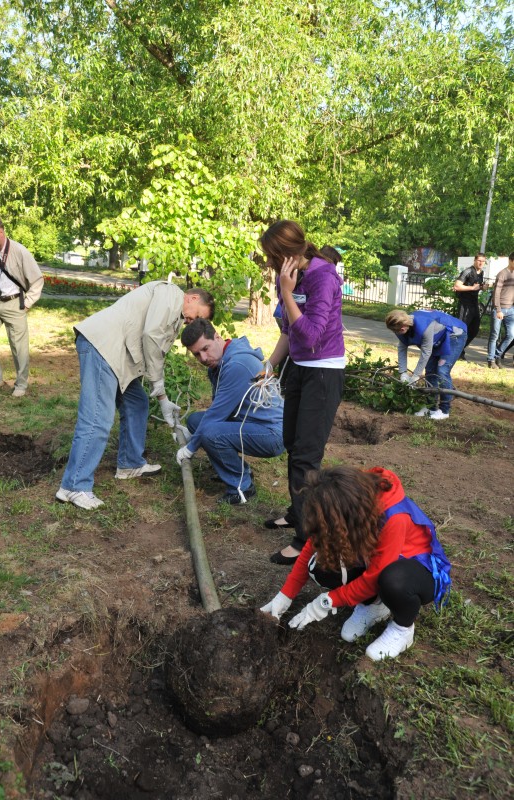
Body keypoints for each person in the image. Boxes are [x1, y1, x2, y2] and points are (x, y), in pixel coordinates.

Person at [260, 465, 451, 661]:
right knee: (322, 567)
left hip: (415, 568)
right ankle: (375, 604)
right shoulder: (346, 496)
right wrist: (285, 595)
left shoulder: (394, 518)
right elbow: (315, 542)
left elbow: (376, 575)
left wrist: (325, 602)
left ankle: (403, 629)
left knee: (393, 581)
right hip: (375, 559)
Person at [56, 283, 214, 510]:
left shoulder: (176, 312)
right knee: (97, 419)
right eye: (197, 315)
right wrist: (158, 385)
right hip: (104, 348)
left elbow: (153, 345)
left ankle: (130, 464)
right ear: (193, 298)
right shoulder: (171, 294)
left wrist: (162, 400)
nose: (192, 322)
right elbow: (151, 336)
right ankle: (74, 486)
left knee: (137, 402)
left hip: (116, 355)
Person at [259, 220, 345, 564]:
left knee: (307, 457)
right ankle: (299, 512)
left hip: (323, 374)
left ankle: (306, 538)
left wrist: (285, 289)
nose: (268, 264)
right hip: (298, 368)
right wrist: (271, 364)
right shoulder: (292, 277)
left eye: (270, 257)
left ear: (286, 254)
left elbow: (310, 335)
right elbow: (287, 330)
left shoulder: (323, 276)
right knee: (292, 444)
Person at [176, 319, 285, 504]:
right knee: (195, 421)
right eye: (196, 354)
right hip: (251, 422)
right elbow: (217, 412)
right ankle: (238, 470)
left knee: (210, 432)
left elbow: (215, 417)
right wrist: (192, 435)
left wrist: (190, 448)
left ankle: (241, 488)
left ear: (217, 337)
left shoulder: (237, 365)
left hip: (272, 434)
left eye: (205, 348)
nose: (203, 358)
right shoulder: (222, 359)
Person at [0, 215, 44, 397]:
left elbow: (37, 279)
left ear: (0, 231)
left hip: (14, 303)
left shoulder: (19, 251)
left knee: (19, 347)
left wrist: (28, 303)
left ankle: (21, 384)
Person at [385, 309, 467, 420]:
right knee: (430, 370)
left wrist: (415, 376)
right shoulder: (402, 326)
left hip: (455, 334)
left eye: (397, 331)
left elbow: (426, 352)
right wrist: (403, 372)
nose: (396, 334)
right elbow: (402, 348)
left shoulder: (425, 326)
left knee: (442, 371)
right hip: (438, 337)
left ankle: (444, 410)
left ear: (403, 327)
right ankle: (431, 408)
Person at [453, 253, 486, 360]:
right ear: (474, 260)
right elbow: (457, 286)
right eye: (479, 260)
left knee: (475, 329)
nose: (481, 263)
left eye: (483, 261)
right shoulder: (467, 271)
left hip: (474, 303)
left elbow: (477, 286)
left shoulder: (481, 273)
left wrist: (482, 287)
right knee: (461, 329)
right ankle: (454, 352)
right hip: (465, 303)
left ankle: (460, 349)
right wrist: (472, 288)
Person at [486, 253, 514, 369]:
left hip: (511, 309)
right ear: (511, 260)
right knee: (494, 335)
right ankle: (491, 360)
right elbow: (496, 293)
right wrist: (498, 309)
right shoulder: (502, 274)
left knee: (511, 335)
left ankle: (497, 355)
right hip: (499, 309)